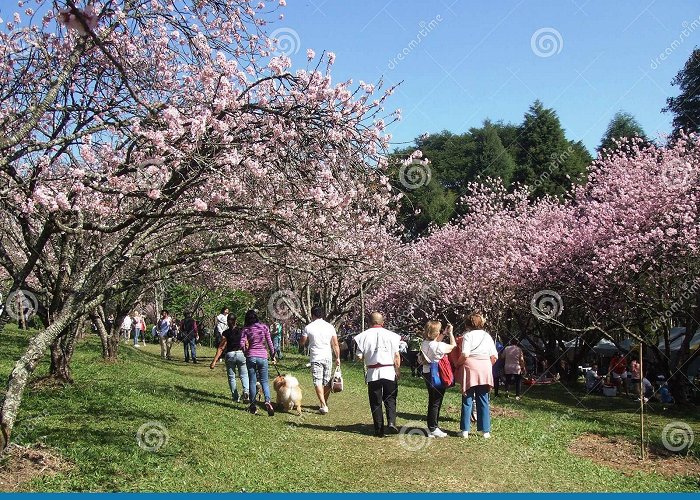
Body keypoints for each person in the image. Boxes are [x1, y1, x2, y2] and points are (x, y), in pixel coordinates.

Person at [354, 311, 401, 437]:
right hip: (389, 370)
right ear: (382, 322)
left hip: (373, 372)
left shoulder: (363, 336)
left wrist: (365, 355)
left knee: (375, 401)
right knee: (390, 398)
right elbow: (396, 355)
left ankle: (378, 429)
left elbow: (359, 357)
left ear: (369, 322)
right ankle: (391, 422)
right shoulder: (392, 336)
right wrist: (398, 370)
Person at [455, 313, 498, 439]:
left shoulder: (467, 336)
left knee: (467, 398)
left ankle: (465, 431)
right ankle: (486, 431)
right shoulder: (488, 336)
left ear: (468, 323)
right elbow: (494, 356)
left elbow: (465, 354)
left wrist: (458, 364)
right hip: (485, 367)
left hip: (470, 368)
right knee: (483, 399)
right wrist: (487, 365)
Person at [300, 306, 340, 414]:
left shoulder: (308, 327)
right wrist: (338, 358)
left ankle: (323, 404)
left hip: (316, 357)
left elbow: (302, 342)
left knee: (317, 381)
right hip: (328, 357)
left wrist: (305, 341)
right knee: (326, 381)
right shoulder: (330, 327)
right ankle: (324, 403)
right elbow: (335, 344)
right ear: (322, 314)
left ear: (312, 315)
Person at [419, 320, 456, 438]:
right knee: (436, 401)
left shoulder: (425, 343)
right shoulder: (439, 346)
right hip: (437, 374)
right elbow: (453, 346)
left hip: (427, 372)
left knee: (433, 400)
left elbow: (435, 342)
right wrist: (450, 334)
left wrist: (444, 333)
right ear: (436, 332)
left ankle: (432, 426)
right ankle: (433, 428)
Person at [239, 309, 276, 416]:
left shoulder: (246, 329)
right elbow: (269, 341)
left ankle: (253, 404)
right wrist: (273, 354)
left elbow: (241, 343)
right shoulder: (264, 327)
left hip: (251, 356)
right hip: (263, 356)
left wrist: (246, 352)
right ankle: (268, 401)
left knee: (252, 381)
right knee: (264, 381)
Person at [210, 313, 249, 403]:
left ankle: (235, 397)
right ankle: (246, 391)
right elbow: (246, 343)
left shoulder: (226, 333)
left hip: (230, 355)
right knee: (244, 375)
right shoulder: (241, 331)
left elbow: (221, 348)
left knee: (232, 377)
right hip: (240, 354)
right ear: (236, 321)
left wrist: (214, 361)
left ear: (227, 322)